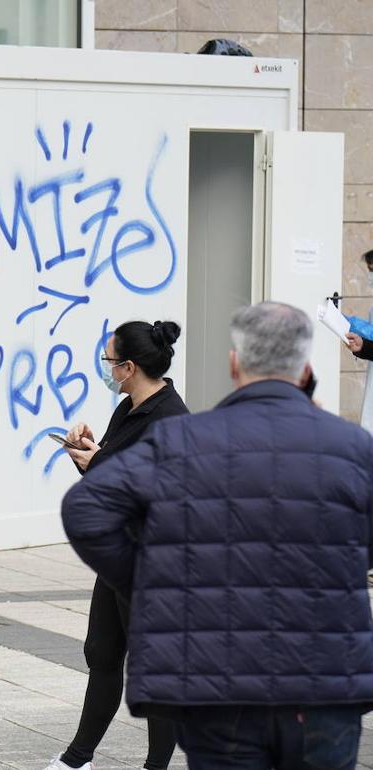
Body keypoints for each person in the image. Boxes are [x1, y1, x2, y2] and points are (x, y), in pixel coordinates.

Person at [63, 301, 373, 769]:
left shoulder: (188, 438)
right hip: (324, 682)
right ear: (307, 369)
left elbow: (94, 510)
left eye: (111, 362)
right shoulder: (352, 447)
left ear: (234, 365)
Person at [44, 321, 187, 770]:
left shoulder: (171, 420)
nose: (105, 368)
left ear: (128, 367)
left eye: (109, 361)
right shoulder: (128, 409)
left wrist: (101, 460)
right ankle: (77, 759)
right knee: (103, 654)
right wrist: (88, 452)